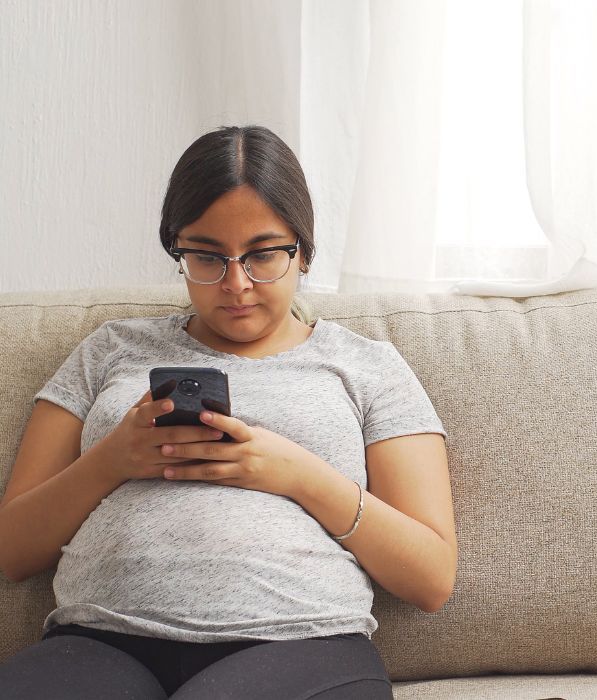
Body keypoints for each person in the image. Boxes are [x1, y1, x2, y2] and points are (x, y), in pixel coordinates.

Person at [0, 125, 457, 698]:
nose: (236, 284)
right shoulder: (111, 350)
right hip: (100, 640)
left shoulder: (366, 367)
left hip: (302, 644)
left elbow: (432, 578)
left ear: (304, 251)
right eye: (207, 256)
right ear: (177, 250)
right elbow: (13, 552)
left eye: (264, 254)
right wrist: (113, 459)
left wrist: (297, 475)